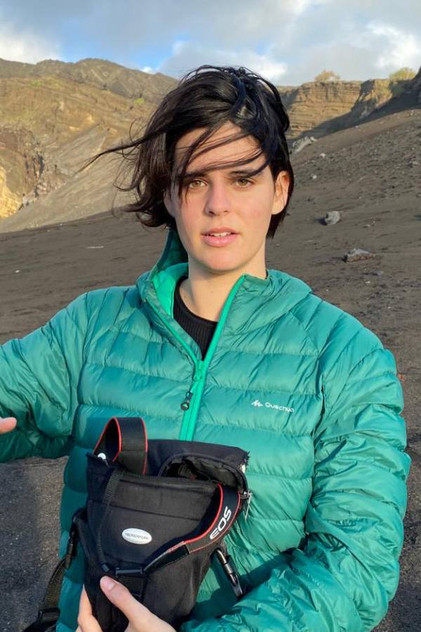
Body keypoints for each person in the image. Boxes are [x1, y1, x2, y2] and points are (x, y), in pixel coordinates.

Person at [0, 66, 410, 632]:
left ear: (279, 190)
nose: (218, 204)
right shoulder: (94, 325)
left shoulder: (345, 358)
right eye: (196, 181)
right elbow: (11, 392)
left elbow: (356, 564)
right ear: (170, 194)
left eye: (242, 179)